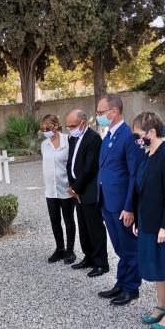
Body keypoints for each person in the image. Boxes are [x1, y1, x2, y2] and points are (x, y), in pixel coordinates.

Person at [131, 111, 165, 329]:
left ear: (151, 133)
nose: (136, 140)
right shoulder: (147, 156)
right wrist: (138, 218)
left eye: (138, 135)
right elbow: (141, 192)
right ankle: (161, 306)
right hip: (148, 223)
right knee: (158, 269)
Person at [95, 94, 145, 306]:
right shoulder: (109, 136)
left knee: (129, 247)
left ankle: (131, 288)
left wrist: (130, 207)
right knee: (118, 247)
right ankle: (121, 282)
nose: (98, 116)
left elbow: (134, 175)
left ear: (113, 112)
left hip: (122, 206)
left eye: (100, 113)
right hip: (107, 202)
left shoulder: (128, 136)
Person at [65, 109, 109, 277]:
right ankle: (88, 256)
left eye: (73, 125)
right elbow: (71, 163)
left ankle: (101, 262)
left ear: (83, 122)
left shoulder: (93, 139)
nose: (70, 129)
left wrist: (76, 188)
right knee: (83, 226)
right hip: (77, 191)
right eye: (68, 126)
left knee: (94, 226)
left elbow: (90, 168)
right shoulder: (73, 138)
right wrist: (72, 186)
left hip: (89, 190)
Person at [40, 114, 76, 264]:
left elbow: (73, 164)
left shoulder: (68, 141)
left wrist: (74, 185)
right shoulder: (44, 144)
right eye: (43, 129)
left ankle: (70, 250)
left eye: (48, 127)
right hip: (50, 190)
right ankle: (59, 249)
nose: (45, 131)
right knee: (55, 221)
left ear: (56, 126)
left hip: (66, 188)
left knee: (68, 219)